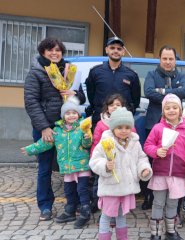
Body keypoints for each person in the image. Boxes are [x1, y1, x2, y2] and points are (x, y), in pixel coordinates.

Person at [24, 37, 86, 221]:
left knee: (72, 167)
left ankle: (72, 204)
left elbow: (82, 96)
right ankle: (45, 206)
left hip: (69, 128)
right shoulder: (36, 73)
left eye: (58, 50)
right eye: (50, 50)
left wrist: (75, 93)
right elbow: (31, 102)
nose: (54, 53)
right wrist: (44, 127)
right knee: (45, 168)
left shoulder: (70, 70)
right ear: (43, 52)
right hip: (47, 128)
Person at [22, 97, 92, 228]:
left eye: (74, 113)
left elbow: (87, 144)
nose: (71, 115)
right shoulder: (58, 130)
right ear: (63, 116)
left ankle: (85, 211)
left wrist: (87, 138)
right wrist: (30, 149)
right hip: (67, 167)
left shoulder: (83, 128)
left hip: (81, 165)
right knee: (69, 190)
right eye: (68, 113)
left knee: (82, 189)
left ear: (78, 114)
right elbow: (45, 143)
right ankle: (70, 210)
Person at [90, 107, 153, 240]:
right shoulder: (106, 142)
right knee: (106, 215)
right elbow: (94, 160)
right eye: (120, 127)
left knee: (121, 215)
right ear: (113, 128)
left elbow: (141, 158)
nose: (124, 131)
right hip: (111, 187)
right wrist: (105, 166)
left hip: (126, 187)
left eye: (127, 127)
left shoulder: (134, 143)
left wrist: (144, 169)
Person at [143, 45, 185, 210]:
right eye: (165, 58)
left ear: (175, 60)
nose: (168, 62)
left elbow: (184, 92)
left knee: (174, 158)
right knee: (153, 160)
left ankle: (173, 197)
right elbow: (148, 92)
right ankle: (149, 197)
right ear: (160, 59)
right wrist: (172, 92)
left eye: (171, 59)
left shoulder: (182, 75)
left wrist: (162, 91)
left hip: (176, 125)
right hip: (155, 124)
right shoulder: (151, 74)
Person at [144, 94, 185, 240]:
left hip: (178, 174)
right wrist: (156, 151)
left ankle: (171, 231)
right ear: (163, 111)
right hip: (160, 172)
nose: (171, 110)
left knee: (173, 203)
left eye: (175, 107)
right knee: (158, 202)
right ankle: (155, 233)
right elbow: (148, 145)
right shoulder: (158, 128)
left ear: (180, 111)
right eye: (168, 108)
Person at [85, 36, 141, 128]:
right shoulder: (95, 72)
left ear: (123, 52)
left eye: (119, 49)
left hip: (122, 123)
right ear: (106, 50)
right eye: (112, 48)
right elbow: (91, 95)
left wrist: (127, 112)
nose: (115, 51)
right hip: (100, 121)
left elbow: (135, 100)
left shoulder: (132, 75)